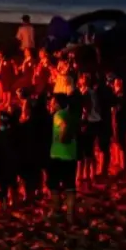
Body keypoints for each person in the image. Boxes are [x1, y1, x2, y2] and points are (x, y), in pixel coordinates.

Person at [47, 93, 77, 223]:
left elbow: (63, 127)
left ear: (58, 104)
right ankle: (70, 215)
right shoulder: (71, 114)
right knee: (70, 186)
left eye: (53, 102)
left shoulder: (58, 115)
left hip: (58, 155)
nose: (51, 104)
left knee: (54, 184)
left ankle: (57, 211)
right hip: (71, 155)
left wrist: (61, 139)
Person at [0, 110, 19, 212]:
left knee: (3, 187)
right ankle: (15, 203)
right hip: (12, 164)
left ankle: (4, 206)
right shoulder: (13, 133)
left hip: (1, 165)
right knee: (13, 184)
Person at [111, 76, 126, 173]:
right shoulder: (117, 95)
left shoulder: (120, 96)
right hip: (116, 121)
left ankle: (123, 165)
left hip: (120, 121)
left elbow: (119, 108)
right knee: (116, 141)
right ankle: (118, 162)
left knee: (121, 142)